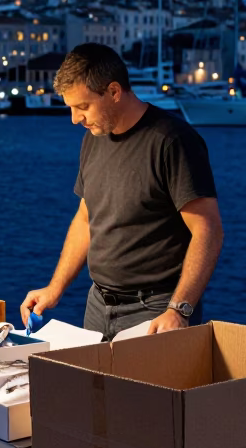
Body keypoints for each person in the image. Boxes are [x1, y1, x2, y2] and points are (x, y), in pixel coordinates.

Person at [21, 43, 223, 339]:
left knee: (145, 388)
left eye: (83, 106)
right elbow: (86, 218)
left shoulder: (173, 141)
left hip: (156, 310)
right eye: (71, 108)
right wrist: (55, 288)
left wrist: (179, 310)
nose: (75, 119)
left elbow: (209, 230)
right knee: (92, 386)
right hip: (98, 304)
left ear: (114, 92)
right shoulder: (94, 137)